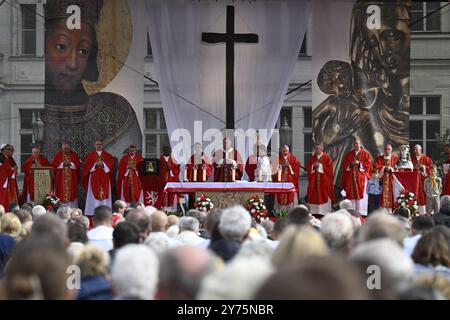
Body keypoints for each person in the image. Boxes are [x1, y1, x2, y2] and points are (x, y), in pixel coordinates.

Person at [43, 0, 142, 161]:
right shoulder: (39, 109)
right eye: (61, 46)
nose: (73, 63)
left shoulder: (115, 113)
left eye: (83, 51)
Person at [83, 140, 115, 216]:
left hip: (105, 178)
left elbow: (111, 164)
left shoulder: (108, 155)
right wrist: (95, 164)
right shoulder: (90, 155)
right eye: (97, 144)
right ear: (95, 145)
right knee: (93, 194)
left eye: (100, 144)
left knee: (105, 194)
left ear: (102, 145)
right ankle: (92, 211)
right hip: (94, 178)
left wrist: (103, 163)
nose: (99, 146)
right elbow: (86, 166)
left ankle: (105, 212)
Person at [342, 138, 372, 217]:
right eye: (354, 144)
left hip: (361, 179)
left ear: (360, 145)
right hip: (351, 179)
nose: (356, 145)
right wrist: (350, 164)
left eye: (357, 144)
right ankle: (352, 212)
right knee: (351, 196)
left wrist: (359, 164)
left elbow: (368, 165)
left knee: (361, 197)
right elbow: (345, 165)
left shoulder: (365, 154)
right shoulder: (348, 155)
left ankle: (361, 212)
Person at [306, 143, 334, 216]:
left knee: (324, 194)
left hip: (324, 182)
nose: (316, 150)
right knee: (314, 194)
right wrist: (313, 166)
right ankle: (315, 212)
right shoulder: (312, 158)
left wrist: (320, 166)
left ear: (322, 149)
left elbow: (330, 170)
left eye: (318, 149)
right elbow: (308, 167)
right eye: (315, 149)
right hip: (314, 182)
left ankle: (324, 212)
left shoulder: (327, 158)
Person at [52, 142, 81, 208]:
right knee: (61, 194)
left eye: (67, 149)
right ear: (62, 148)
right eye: (64, 149)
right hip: (61, 180)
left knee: (71, 194)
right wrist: (62, 164)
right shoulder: (58, 155)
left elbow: (78, 165)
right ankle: (61, 211)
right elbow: (54, 166)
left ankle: (72, 211)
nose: (66, 150)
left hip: (71, 180)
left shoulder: (74, 155)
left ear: (70, 148)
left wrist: (70, 164)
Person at [374, 144, 398, 212]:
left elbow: (397, 169)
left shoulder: (395, 158)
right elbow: (376, 167)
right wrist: (384, 168)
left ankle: (391, 211)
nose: (387, 151)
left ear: (391, 150)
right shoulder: (379, 158)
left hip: (392, 181)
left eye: (389, 149)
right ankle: (382, 212)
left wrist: (391, 169)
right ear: (384, 150)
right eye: (386, 149)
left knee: (392, 195)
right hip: (382, 180)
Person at [412, 144, 433, 215]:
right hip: (414, 180)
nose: (415, 151)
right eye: (414, 149)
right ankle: (414, 210)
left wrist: (423, 167)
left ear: (420, 150)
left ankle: (424, 211)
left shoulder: (427, 159)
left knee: (423, 194)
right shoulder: (411, 159)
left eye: (416, 149)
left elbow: (431, 169)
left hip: (424, 180)